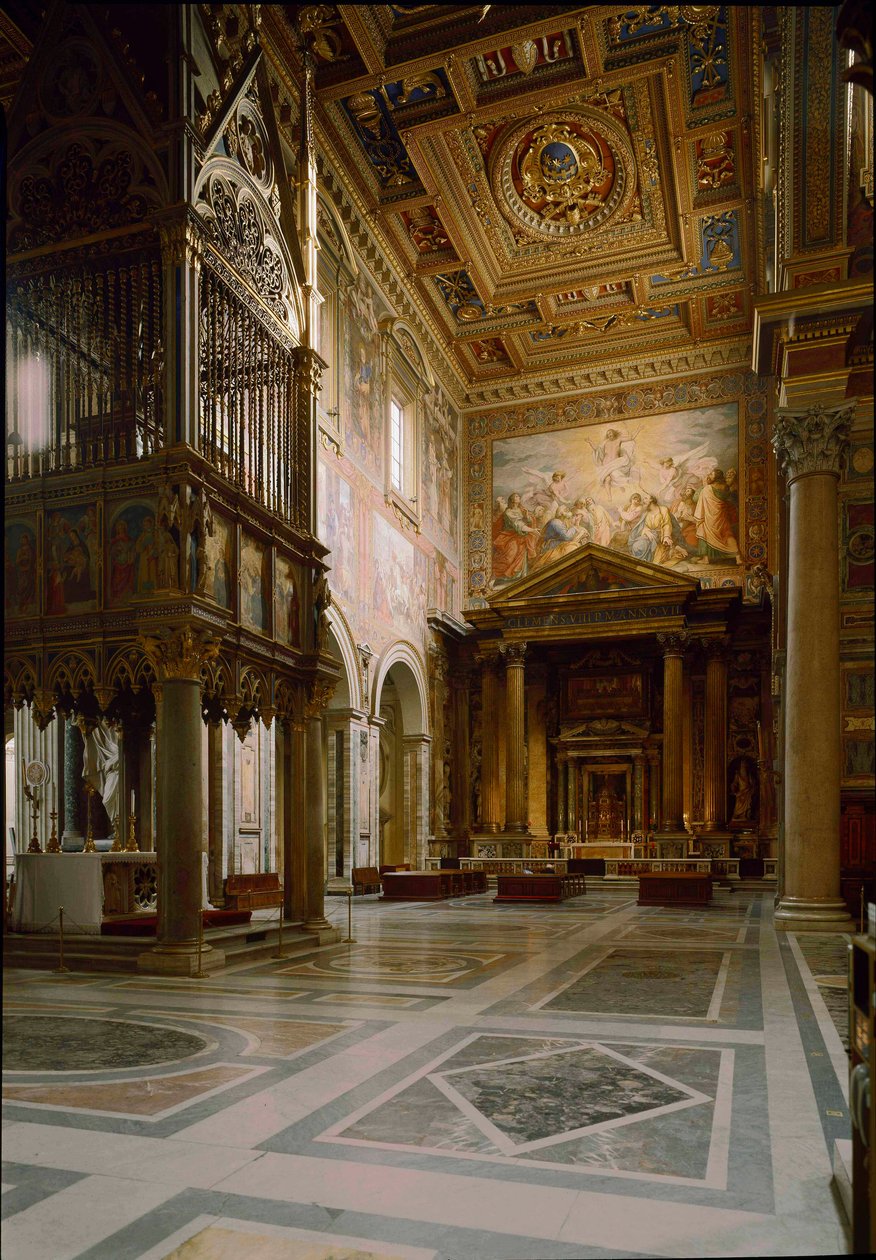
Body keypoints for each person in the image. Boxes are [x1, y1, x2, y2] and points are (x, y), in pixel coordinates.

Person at [694, 468, 742, 564]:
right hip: (722, 516)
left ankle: (705, 559)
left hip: (709, 518)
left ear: (716, 477)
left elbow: (695, 498)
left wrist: (704, 486)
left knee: (702, 530)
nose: (709, 476)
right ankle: (738, 558)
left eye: (711, 475)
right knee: (727, 534)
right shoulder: (725, 487)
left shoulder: (707, 489)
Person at [492, 492, 540, 580]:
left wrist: (526, 517)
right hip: (510, 536)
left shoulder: (521, 509)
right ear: (512, 500)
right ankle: (510, 576)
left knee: (525, 549)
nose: (518, 497)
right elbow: (518, 525)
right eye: (516, 496)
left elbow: (527, 522)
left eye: (518, 496)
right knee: (510, 555)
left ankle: (523, 575)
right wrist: (533, 530)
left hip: (522, 536)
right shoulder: (508, 512)